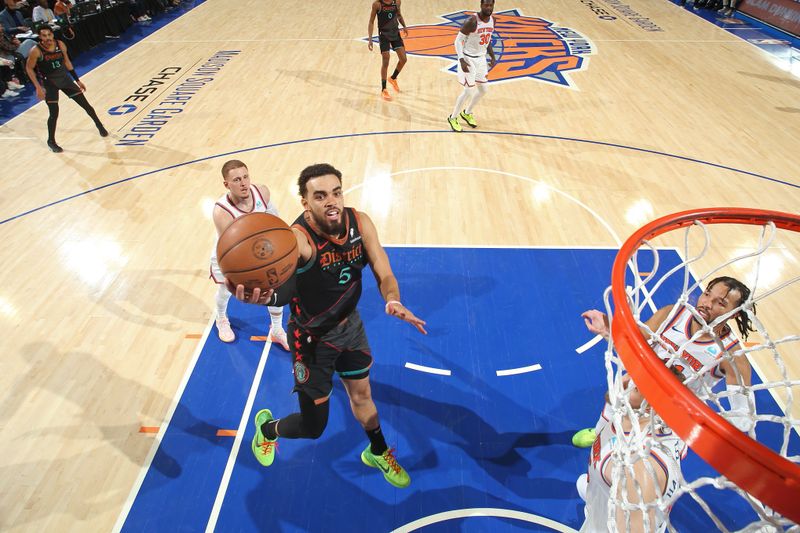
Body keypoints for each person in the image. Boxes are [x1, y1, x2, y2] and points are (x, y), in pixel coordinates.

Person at [227, 163, 427, 488]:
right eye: (319, 196)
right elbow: (285, 291)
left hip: (350, 327)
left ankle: (377, 450)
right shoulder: (297, 240)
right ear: (305, 203)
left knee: (363, 395)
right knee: (313, 426)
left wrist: (393, 300)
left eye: (336, 192)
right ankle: (266, 430)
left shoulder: (360, 222)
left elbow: (383, 268)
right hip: (311, 340)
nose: (331, 201)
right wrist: (261, 296)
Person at [573, 276, 757, 448]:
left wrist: (701, 423)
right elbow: (636, 341)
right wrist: (608, 328)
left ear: (733, 314)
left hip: (670, 417)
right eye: (707, 294)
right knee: (606, 428)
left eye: (721, 303)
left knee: (636, 465)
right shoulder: (672, 314)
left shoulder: (732, 355)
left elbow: (743, 417)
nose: (707, 303)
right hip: (637, 389)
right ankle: (599, 433)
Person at [578, 368, 687, 532]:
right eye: (630, 373)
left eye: (634, 387)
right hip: (609, 499)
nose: (621, 382)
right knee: (586, 483)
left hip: (609, 525)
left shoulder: (636, 467)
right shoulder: (635, 418)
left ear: (650, 407)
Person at [209, 159, 289, 350]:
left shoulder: (261, 191)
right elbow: (234, 250)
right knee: (225, 291)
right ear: (226, 184)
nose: (244, 183)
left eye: (246, 177)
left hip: (262, 251)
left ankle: (277, 329)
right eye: (236, 180)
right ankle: (221, 318)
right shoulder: (222, 212)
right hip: (230, 256)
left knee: (275, 287)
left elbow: (276, 222)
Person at [24, 25, 108, 152]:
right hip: (50, 83)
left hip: (64, 79)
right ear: (40, 37)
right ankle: (51, 141)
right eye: (44, 36)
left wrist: (77, 80)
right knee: (54, 113)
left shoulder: (60, 44)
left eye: (49, 35)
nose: (47, 38)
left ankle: (99, 125)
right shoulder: (35, 51)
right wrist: (38, 87)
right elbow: (29, 68)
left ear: (52, 34)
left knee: (86, 105)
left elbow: (67, 62)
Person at [446, 0, 496, 133]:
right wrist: (461, 59)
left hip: (481, 60)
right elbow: (458, 41)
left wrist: (492, 55)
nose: (488, 7)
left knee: (484, 90)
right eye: (486, 5)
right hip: (468, 59)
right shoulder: (472, 21)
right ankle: (453, 117)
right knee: (468, 91)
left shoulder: (493, 20)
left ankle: (467, 113)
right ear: (481, 5)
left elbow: (487, 38)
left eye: (491, 5)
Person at [367, 0, 408, 102]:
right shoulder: (377, 4)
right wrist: (370, 39)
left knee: (403, 59)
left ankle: (393, 78)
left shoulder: (397, 2)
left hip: (395, 33)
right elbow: (371, 21)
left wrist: (404, 26)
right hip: (384, 35)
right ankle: (384, 89)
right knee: (386, 60)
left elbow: (399, 15)